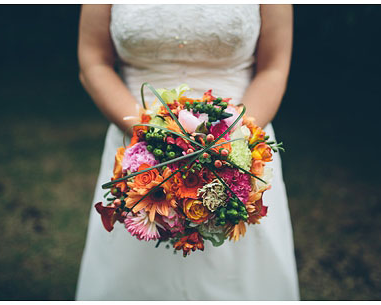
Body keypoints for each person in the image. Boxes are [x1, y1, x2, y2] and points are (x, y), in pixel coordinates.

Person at [75, 4, 299, 300]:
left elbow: (273, 68)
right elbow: (93, 61)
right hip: (136, 141)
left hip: (237, 143)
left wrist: (231, 141)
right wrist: (152, 132)